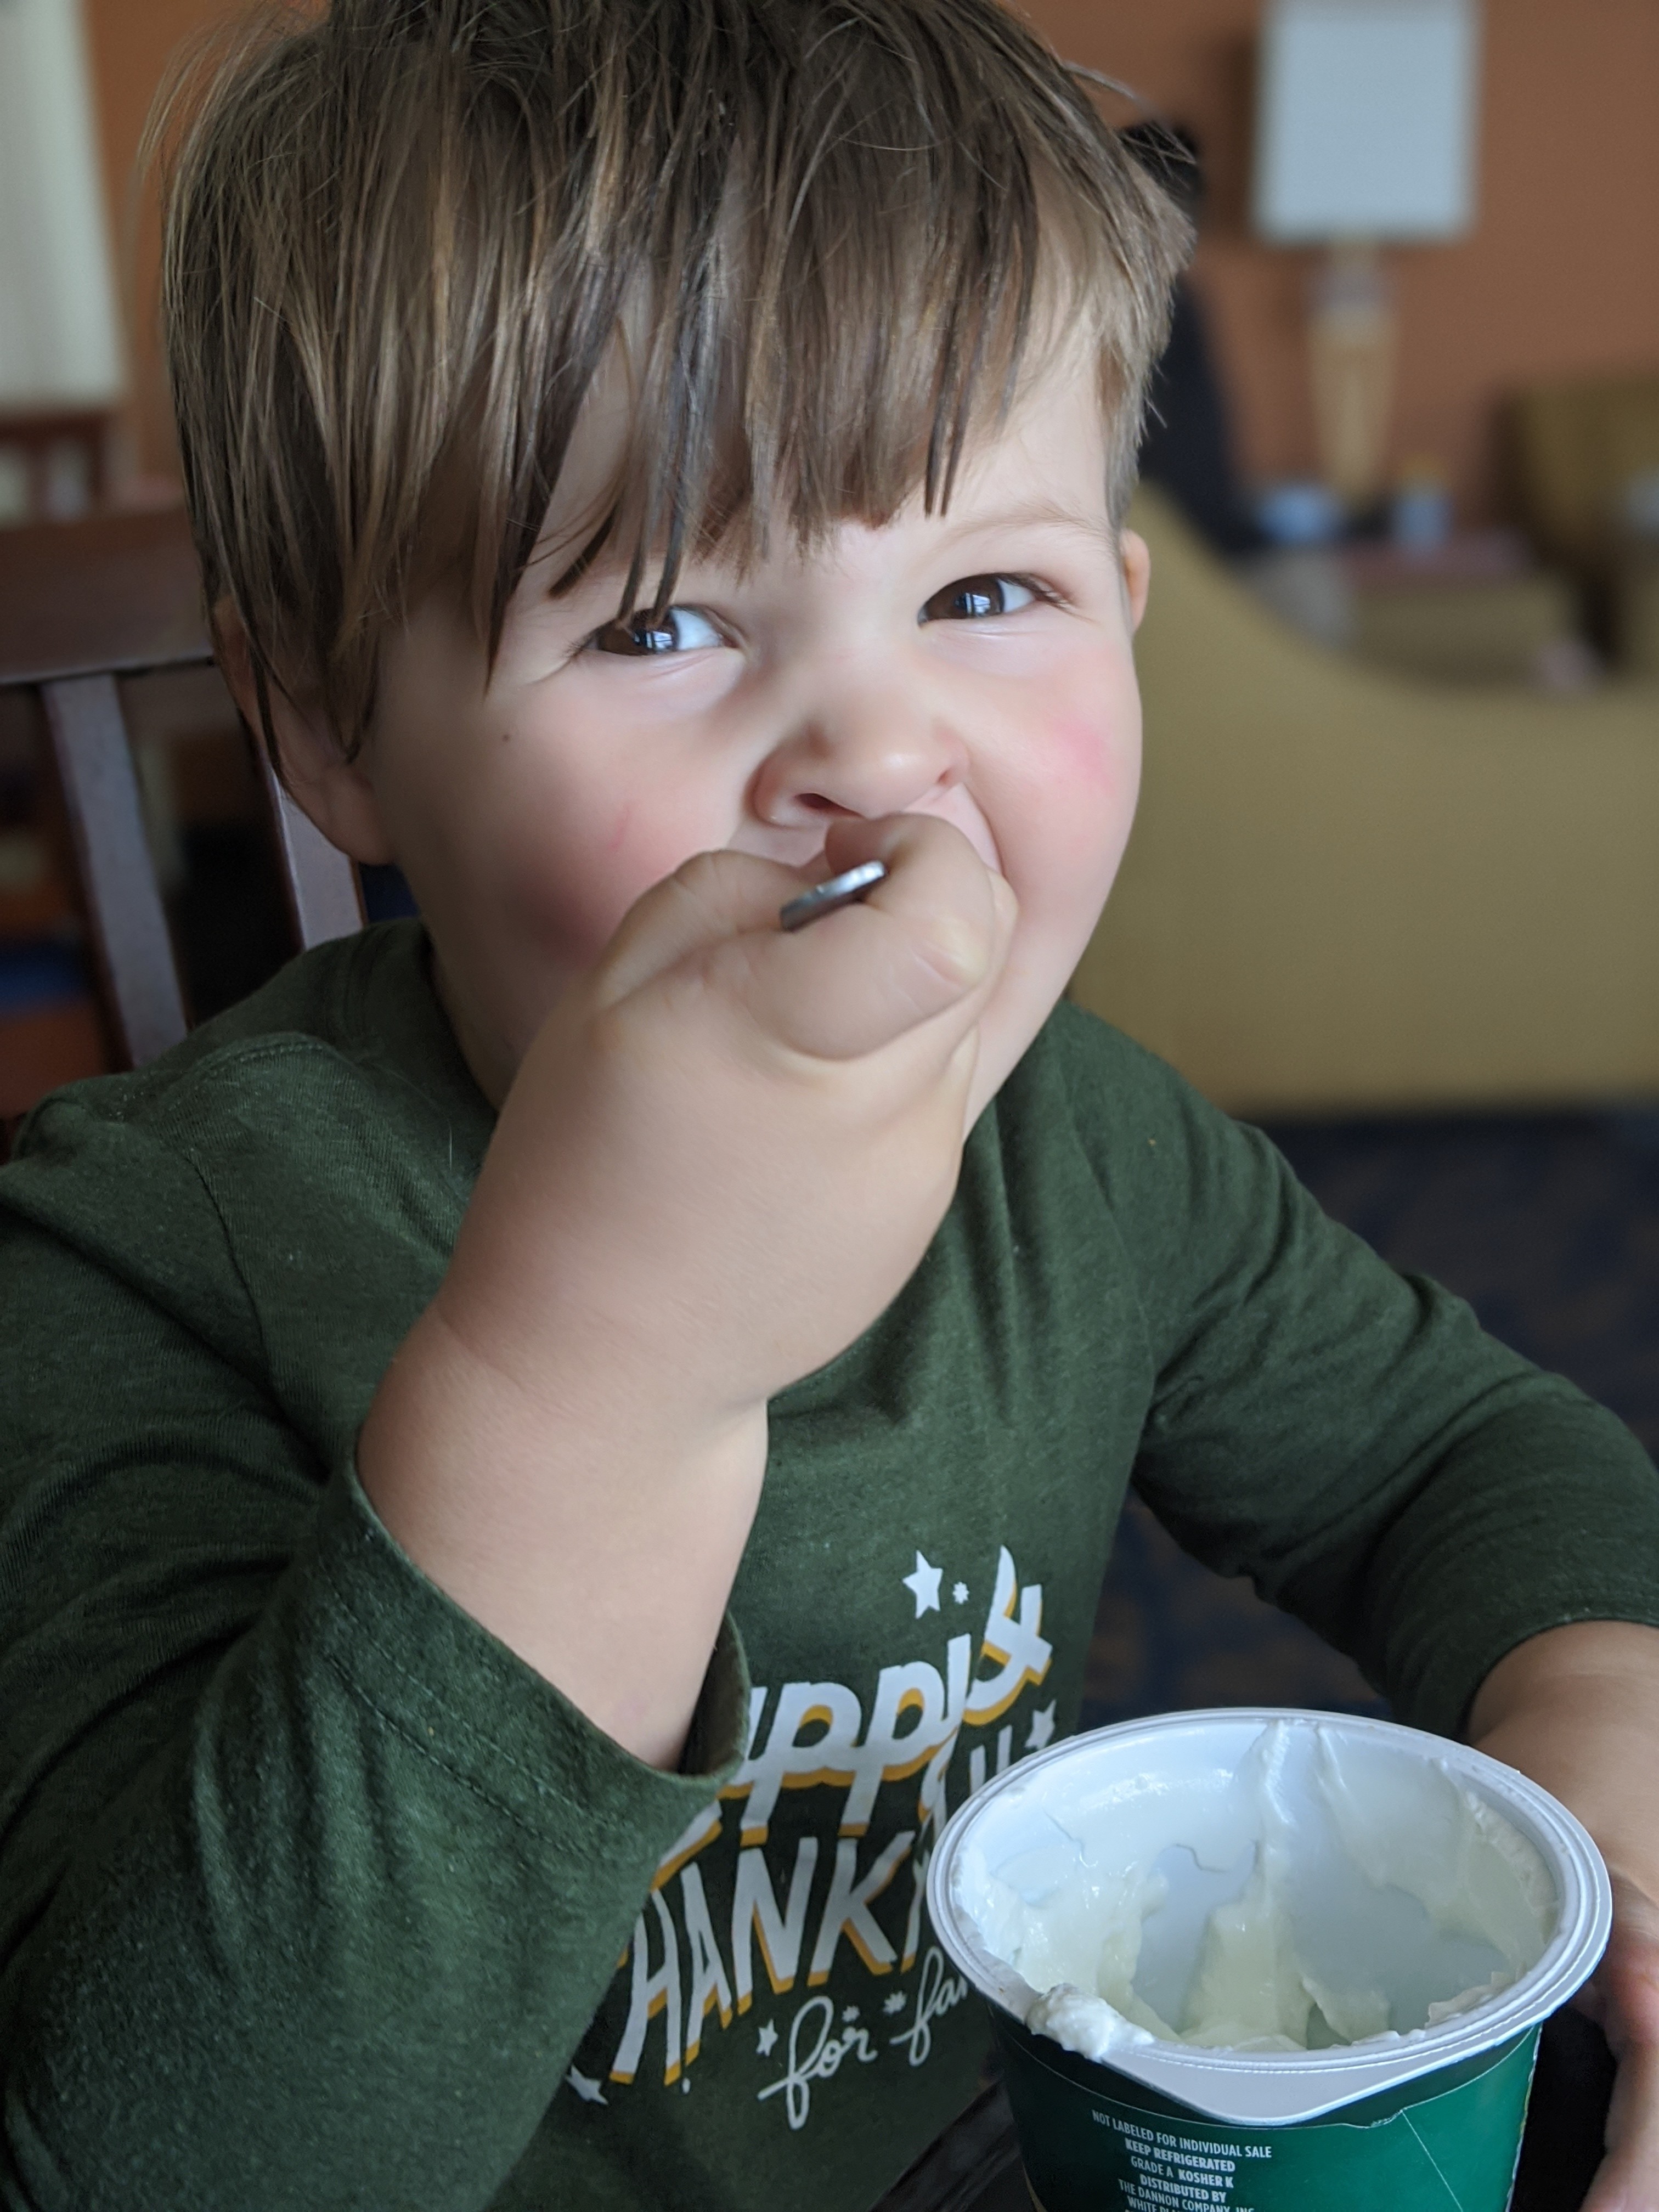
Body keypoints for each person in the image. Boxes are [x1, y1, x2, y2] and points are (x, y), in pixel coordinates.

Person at [1, 3, 1656, 2207]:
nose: (879, 756)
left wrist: (1596, 1690)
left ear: (1128, 617)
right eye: (662, 624)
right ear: (324, 728)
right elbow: (184, 2168)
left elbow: (1454, 1455)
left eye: (987, 591)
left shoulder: (1081, 1149)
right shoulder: (135, 1259)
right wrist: (599, 1375)